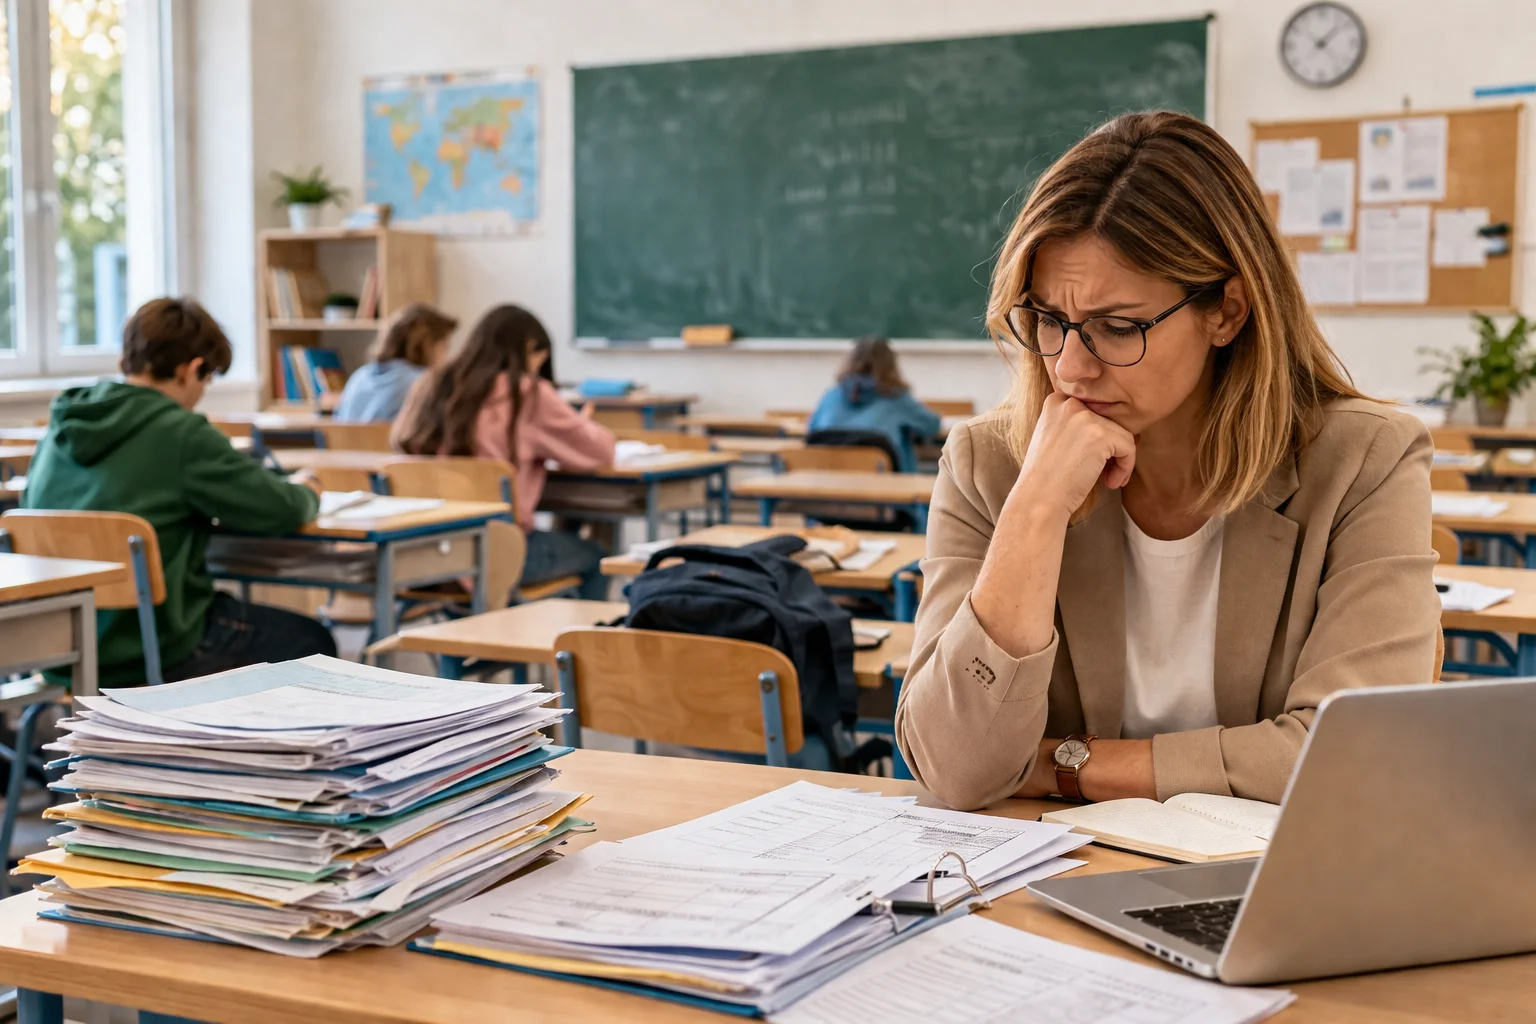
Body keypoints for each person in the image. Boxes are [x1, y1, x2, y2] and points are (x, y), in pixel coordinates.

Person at [896, 111, 1440, 811]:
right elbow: (953, 771)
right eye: (1049, 321)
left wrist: (1068, 765)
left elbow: (1357, 756)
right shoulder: (990, 465)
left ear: (1228, 311)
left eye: (1118, 328)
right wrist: (1033, 512)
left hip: (1271, 883)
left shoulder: (1366, 461)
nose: (1071, 368)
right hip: (1052, 884)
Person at [23, 297, 336, 685]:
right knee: (312, 640)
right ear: (193, 369)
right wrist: (309, 488)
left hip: (62, 649)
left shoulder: (60, 427)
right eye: (208, 379)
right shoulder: (182, 433)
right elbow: (283, 508)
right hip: (156, 646)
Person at [393, 304, 616, 600]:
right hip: (495, 552)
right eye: (540, 357)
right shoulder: (524, 392)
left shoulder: (431, 384)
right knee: (597, 558)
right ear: (528, 349)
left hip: (422, 552)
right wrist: (581, 425)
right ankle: (573, 643)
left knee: (560, 541)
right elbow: (601, 452)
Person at [806, 337, 941, 471]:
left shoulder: (831, 395)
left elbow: (811, 430)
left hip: (828, 485)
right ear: (891, 365)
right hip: (886, 486)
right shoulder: (895, 397)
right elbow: (932, 425)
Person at [333, 303, 458, 422]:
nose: (446, 357)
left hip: (348, 445)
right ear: (427, 346)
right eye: (445, 347)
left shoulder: (359, 376)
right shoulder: (423, 383)